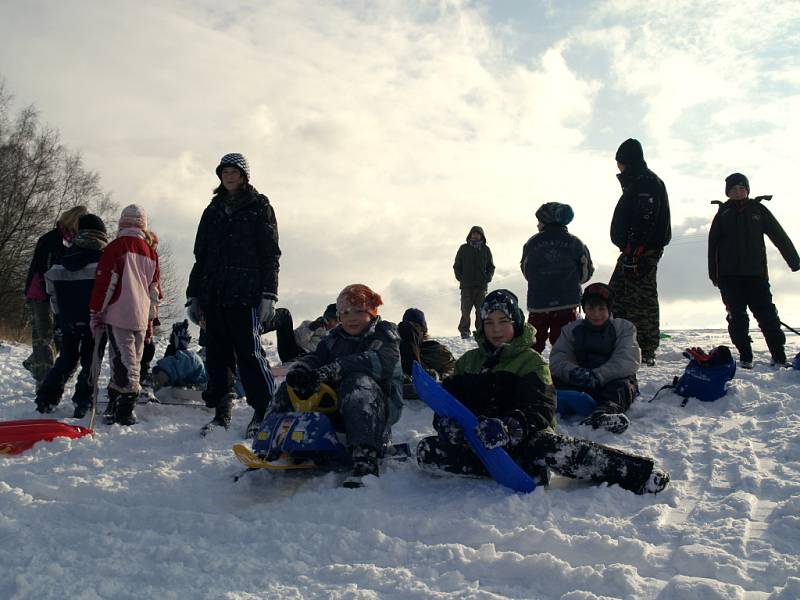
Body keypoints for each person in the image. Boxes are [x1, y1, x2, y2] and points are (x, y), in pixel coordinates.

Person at [416, 289, 669, 495]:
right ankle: (521, 468)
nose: (496, 329)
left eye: (503, 321)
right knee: (427, 451)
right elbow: (447, 404)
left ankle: (638, 473)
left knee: (555, 448)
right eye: (489, 323)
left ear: (515, 322)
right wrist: (447, 425)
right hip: (481, 441)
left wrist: (509, 427)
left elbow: (541, 409)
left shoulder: (531, 361)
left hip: (526, 439)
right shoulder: (467, 363)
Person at [186, 153, 281, 437]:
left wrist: (269, 293)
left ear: (243, 176)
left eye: (234, 172)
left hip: (245, 292)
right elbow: (199, 257)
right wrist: (194, 295)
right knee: (216, 355)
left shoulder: (259, 206)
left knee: (249, 353)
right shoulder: (212, 211)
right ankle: (221, 411)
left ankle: (264, 409)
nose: (229, 176)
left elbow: (270, 254)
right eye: (225, 172)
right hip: (213, 293)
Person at [275, 284, 403, 488]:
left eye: (359, 311)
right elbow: (316, 357)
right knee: (291, 386)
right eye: (345, 312)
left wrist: (335, 368)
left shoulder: (383, 333)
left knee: (357, 382)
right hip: (338, 405)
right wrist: (302, 370)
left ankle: (365, 458)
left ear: (371, 312)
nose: (351, 317)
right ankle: (274, 445)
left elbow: (379, 361)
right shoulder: (334, 338)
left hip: (377, 408)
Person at [708, 173, 800, 368]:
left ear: (747, 190)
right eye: (734, 189)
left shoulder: (758, 210)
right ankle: (746, 356)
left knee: (768, 316)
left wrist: (794, 261)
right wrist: (714, 275)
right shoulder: (723, 214)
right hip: (729, 277)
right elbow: (712, 246)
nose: (738, 192)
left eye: (742, 188)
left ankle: (779, 355)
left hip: (756, 274)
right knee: (737, 318)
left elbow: (779, 235)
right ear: (728, 193)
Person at [89, 205, 160, 426]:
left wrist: (96, 311)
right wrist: (150, 319)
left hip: (118, 312)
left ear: (122, 224)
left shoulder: (116, 247)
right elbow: (154, 291)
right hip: (140, 315)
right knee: (131, 360)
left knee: (122, 361)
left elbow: (106, 282)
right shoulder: (151, 253)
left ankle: (125, 406)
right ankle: (116, 401)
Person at [34, 214, 108, 417]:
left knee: (67, 358)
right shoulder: (104, 260)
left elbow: (51, 286)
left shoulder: (64, 258)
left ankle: (46, 398)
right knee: (92, 360)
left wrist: (59, 314)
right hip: (95, 320)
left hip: (67, 319)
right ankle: (83, 402)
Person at [608, 138, 671, 366]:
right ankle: (622, 343)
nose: (618, 168)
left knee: (640, 300)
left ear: (626, 162)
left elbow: (645, 220)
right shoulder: (639, 182)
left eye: (620, 162)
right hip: (632, 250)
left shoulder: (646, 183)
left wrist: (635, 251)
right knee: (618, 297)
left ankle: (645, 349)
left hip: (641, 252)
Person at [549, 283, 640, 434]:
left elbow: (627, 359)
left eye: (601, 309)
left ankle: (604, 414)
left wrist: (598, 375)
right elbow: (558, 358)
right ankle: (543, 406)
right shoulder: (571, 329)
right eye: (591, 308)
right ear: (585, 309)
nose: (596, 314)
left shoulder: (623, 327)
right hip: (581, 380)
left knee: (623, 385)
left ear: (609, 309)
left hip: (610, 381)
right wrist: (574, 372)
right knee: (549, 380)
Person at [23, 205, 88, 384]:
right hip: (40, 295)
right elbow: (44, 268)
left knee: (59, 337)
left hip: (59, 295)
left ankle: (33, 362)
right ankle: (43, 382)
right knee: (43, 337)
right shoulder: (50, 239)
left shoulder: (75, 242)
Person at [520, 202, 594, 353]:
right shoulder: (575, 242)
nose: (537, 225)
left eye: (539, 221)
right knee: (565, 345)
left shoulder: (532, 242)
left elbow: (526, 270)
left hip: (538, 303)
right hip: (567, 302)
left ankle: (530, 371)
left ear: (547, 221)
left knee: (532, 343)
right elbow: (586, 271)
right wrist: (573, 282)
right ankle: (564, 372)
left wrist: (540, 281)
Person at [453, 225, 495, 339]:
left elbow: (491, 266)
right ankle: (464, 331)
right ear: (470, 235)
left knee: (481, 311)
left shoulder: (486, 250)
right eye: (474, 233)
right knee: (465, 310)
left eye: (478, 234)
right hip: (466, 286)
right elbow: (457, 265)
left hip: (481, 286)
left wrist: (488, 277)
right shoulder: (463, 248)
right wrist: (461, 278)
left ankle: (480, 331)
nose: (475, 235)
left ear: (481, 236)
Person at [261, 303, 338, 363]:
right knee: (285, 314)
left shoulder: (336, 337)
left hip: (309, 360)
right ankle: (258, 327)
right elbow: (298, 341)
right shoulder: (309, 324)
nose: (332, 323)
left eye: (336, 321)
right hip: (292, 351)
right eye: (329, 319)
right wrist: (311, 329)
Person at [398, 307, 455, 385]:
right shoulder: (396, 350)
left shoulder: (437, 350)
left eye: (416, 328)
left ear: (423, 330)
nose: (411, 333)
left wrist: (439, 376)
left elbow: (452, 371)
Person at [151, 320, 208, 390]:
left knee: (192, 358)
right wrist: (174, 351)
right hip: (194, 378)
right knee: (189, 359)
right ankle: (157, 379)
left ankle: (153, 384)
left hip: (209, 381)